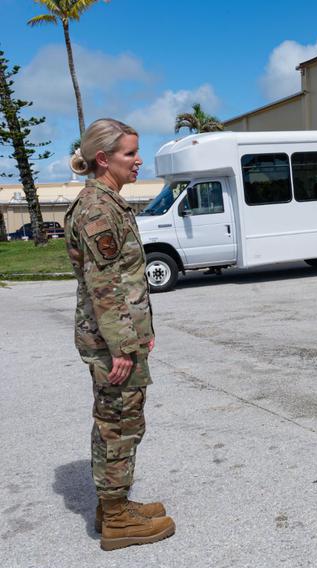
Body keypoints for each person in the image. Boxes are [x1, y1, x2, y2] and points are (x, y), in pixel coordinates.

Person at [64, 118, 176, 551]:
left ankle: (114, 503)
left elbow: (122, 282)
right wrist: (123, 347)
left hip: (118, 337)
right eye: (130, 153)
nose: (138, 160)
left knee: (121, 419)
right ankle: (115, 518)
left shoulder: (109, 202)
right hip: (111, 342)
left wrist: (139, 334)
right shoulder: (97, 208)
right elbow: (105, 286)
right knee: (120, 423)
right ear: (103, 159)